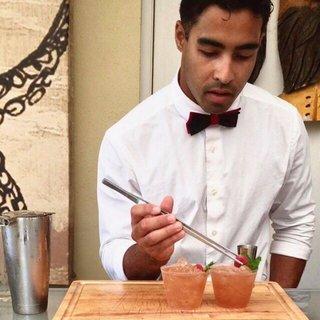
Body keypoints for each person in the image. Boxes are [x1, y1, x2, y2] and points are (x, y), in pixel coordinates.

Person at [97, 0, 315, 288]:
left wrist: (280, 307)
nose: (225, 74)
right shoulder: (125, 138)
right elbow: (114, 250)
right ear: (180, 37)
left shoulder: (285, 123)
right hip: (162, 319)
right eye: (209, 52)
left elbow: (295, 224)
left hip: (251, 317)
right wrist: (148, 253)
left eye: (244, 55)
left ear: (260, 44)